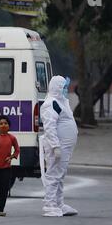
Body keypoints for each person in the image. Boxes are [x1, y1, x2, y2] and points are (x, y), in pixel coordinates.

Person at [39, 76, 79, 217]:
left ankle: (59, 203)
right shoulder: (51, 104)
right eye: (64, 87)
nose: (66, 90)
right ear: (58, 88)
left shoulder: (61, 102)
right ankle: (50, 205)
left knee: (60, 175)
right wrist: (55, 146)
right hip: (58, 147)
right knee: (54, 174)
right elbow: (50, 126)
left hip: (64, 147)